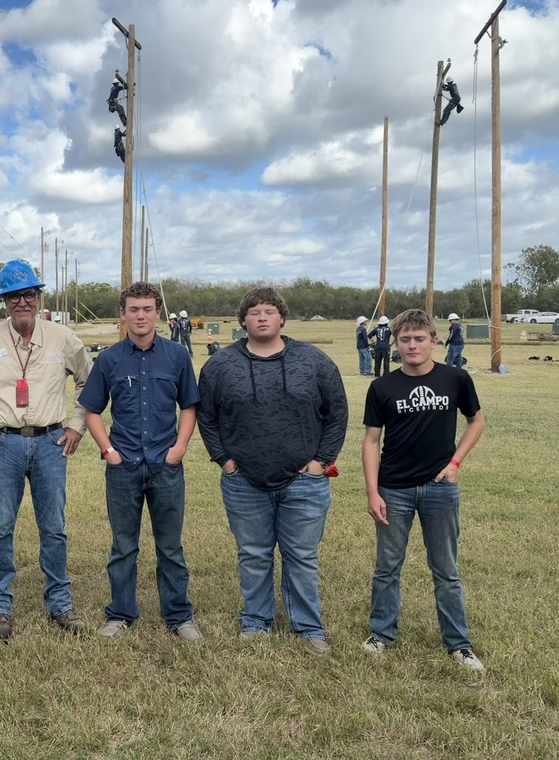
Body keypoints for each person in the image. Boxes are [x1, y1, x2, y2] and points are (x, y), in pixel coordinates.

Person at [197, 287, 347, 655]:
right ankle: (256, 621)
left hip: (304, 481)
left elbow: (337, 414)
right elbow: (207, 418)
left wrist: (320, 462)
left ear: (281, 318)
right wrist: (225, 461)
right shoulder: (220, 366)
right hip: (243, 481)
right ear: (243, 320)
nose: (262, 317)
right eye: (254, 312)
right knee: (253, 554)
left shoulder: (314, 361)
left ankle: (308, 627)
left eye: (269, 311)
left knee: (302, 556)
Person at [0, 260, 93, 640]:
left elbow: (89, 382)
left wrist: (77, 425)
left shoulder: (62, 338)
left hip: (51, 443)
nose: (22, 302)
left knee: (53, 527)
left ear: (38, 297)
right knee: (1, 527)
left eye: (28, 294)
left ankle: (59, 602)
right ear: (3, 301)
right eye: (13, 296)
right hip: (2, 443)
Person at [361, 309, 485, 671]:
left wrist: (455, 462)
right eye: (405, 339)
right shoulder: (382, 387)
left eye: (419, 338)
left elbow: (476, 421)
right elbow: (371, 441)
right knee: (387, 566)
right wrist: (373, 492)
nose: (412, 345)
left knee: (446, 570)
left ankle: (459, 644)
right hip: (393, 489)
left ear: (434, 340)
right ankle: (381, 634)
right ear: (395, 344)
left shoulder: (456, 379)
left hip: (440, 488)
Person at [79, 282, 203, 641]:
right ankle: (120, 613)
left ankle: (179, 615)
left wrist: (180, 448)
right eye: (133, 309)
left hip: (166, 465)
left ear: (158, 312)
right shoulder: (109, 359)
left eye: (147, 309)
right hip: (124, 466)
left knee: (170, 546)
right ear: (123, 314)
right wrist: (109, 451)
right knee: (123, 546)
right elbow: (92, 410)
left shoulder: (176, 356)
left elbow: (189, 405)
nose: (141, 315)